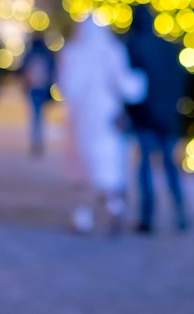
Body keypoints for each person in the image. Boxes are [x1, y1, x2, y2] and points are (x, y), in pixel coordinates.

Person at [57, 15, 147, 235]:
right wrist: (139, 83)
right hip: (106, 118)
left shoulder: (72, 52)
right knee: (106, 168)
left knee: (81, 171)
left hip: (80, 120)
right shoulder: (111, 50)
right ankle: (113, 206)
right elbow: (124, 84)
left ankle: (82, 215)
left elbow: (66, 87)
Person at [126, 5, 189, 234]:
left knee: (145, 168)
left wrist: (133, 114)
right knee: (170, 166)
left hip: (146, 118)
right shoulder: (169, 47)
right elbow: (180, 82)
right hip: (168, 117)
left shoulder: (136, 47)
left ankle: (147, 217)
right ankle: (180, 212)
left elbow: (132, 86)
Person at [21, 34, 55, 156]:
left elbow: (22, 71)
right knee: (39, 116)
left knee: (35, 116)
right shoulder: (46, 56)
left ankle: (36, 140)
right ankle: (38, 140)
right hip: (41, 88)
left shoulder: (30, 56)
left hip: (34, 89)